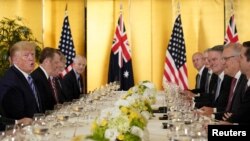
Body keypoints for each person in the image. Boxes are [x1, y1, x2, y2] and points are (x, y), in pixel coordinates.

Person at [0, 41, 40, 125]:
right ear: (15, 60)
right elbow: (19, 118)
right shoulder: (11, 82)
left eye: (32, 54)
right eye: (26, 55)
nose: (31, 58)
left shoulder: (27, 76)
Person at [199, 45, 232, 116]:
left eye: (214, 60)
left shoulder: (231, 79)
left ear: (223, 59)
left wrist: (213, 112)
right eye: (210, 60)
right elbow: (211, 100)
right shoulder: (216, 77)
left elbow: (231, 108)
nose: (210, 64)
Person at [31, 47, 61, 112]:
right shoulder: (37, 78)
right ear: (47, 61)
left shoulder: (44, 76)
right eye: (56, 62)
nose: (58, 65)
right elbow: (43, 107)